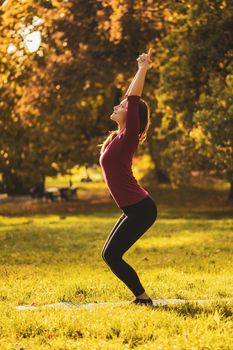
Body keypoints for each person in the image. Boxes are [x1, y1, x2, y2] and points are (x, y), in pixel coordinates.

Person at [98, 48, 158, 306]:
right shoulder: (116, 139)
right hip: (133, 209)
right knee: (108, 254)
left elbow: (133, 98)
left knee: (112, 255)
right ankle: (142, 298)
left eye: (121, 106)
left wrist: (142, 68)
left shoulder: (129, 135)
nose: (117, 105)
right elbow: (128, 98)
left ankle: (143, 299)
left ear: (132, 116)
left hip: (141, 209)